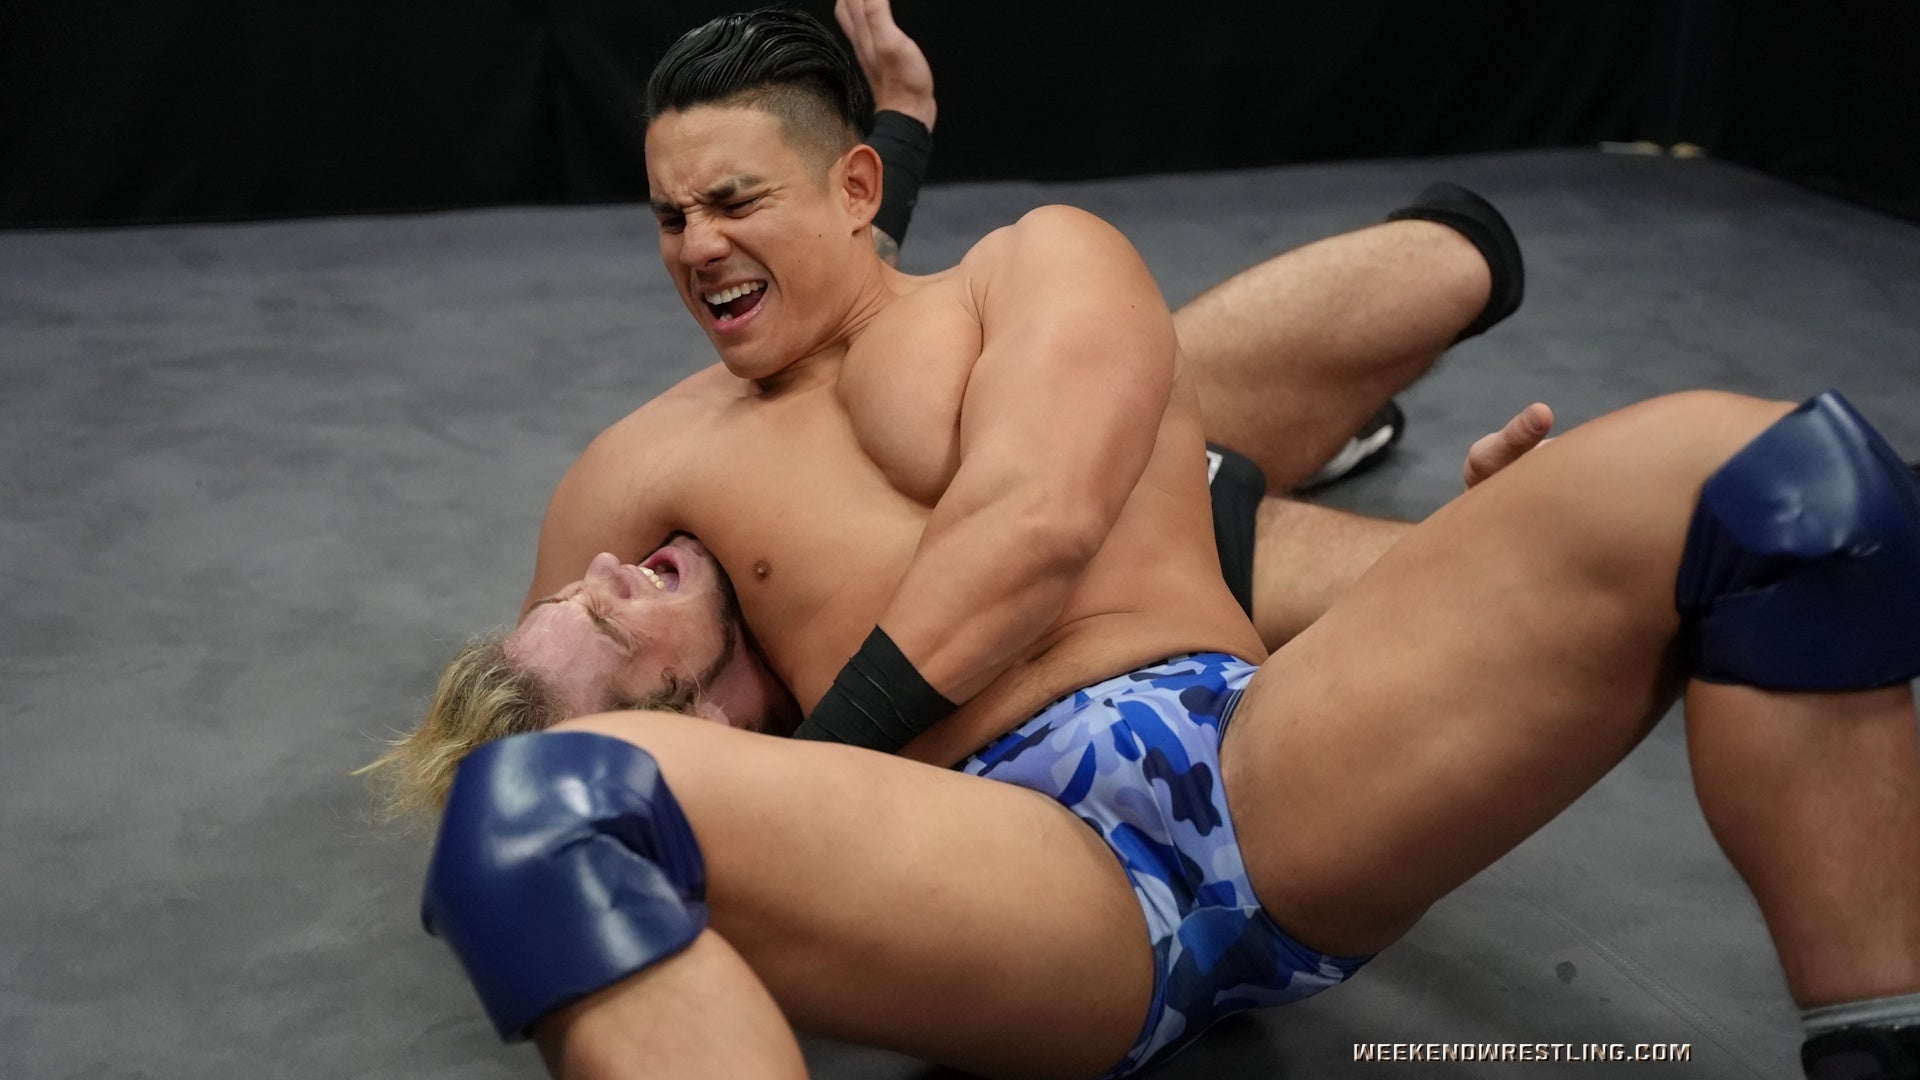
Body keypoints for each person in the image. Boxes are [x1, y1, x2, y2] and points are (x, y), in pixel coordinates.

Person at [372, 9, 1920, 1080]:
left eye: (730, 201)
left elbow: (1035, 527)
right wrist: (780, 802)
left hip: (1266, 760)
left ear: (858, 188)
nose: (695, 245)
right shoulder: (641, 464)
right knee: (533, 814)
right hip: (1003, 871)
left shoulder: (1043, 263)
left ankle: (1881, 1034)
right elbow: (540, 717)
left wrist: (810, 765)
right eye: (667, 218)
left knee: (1778, 480)